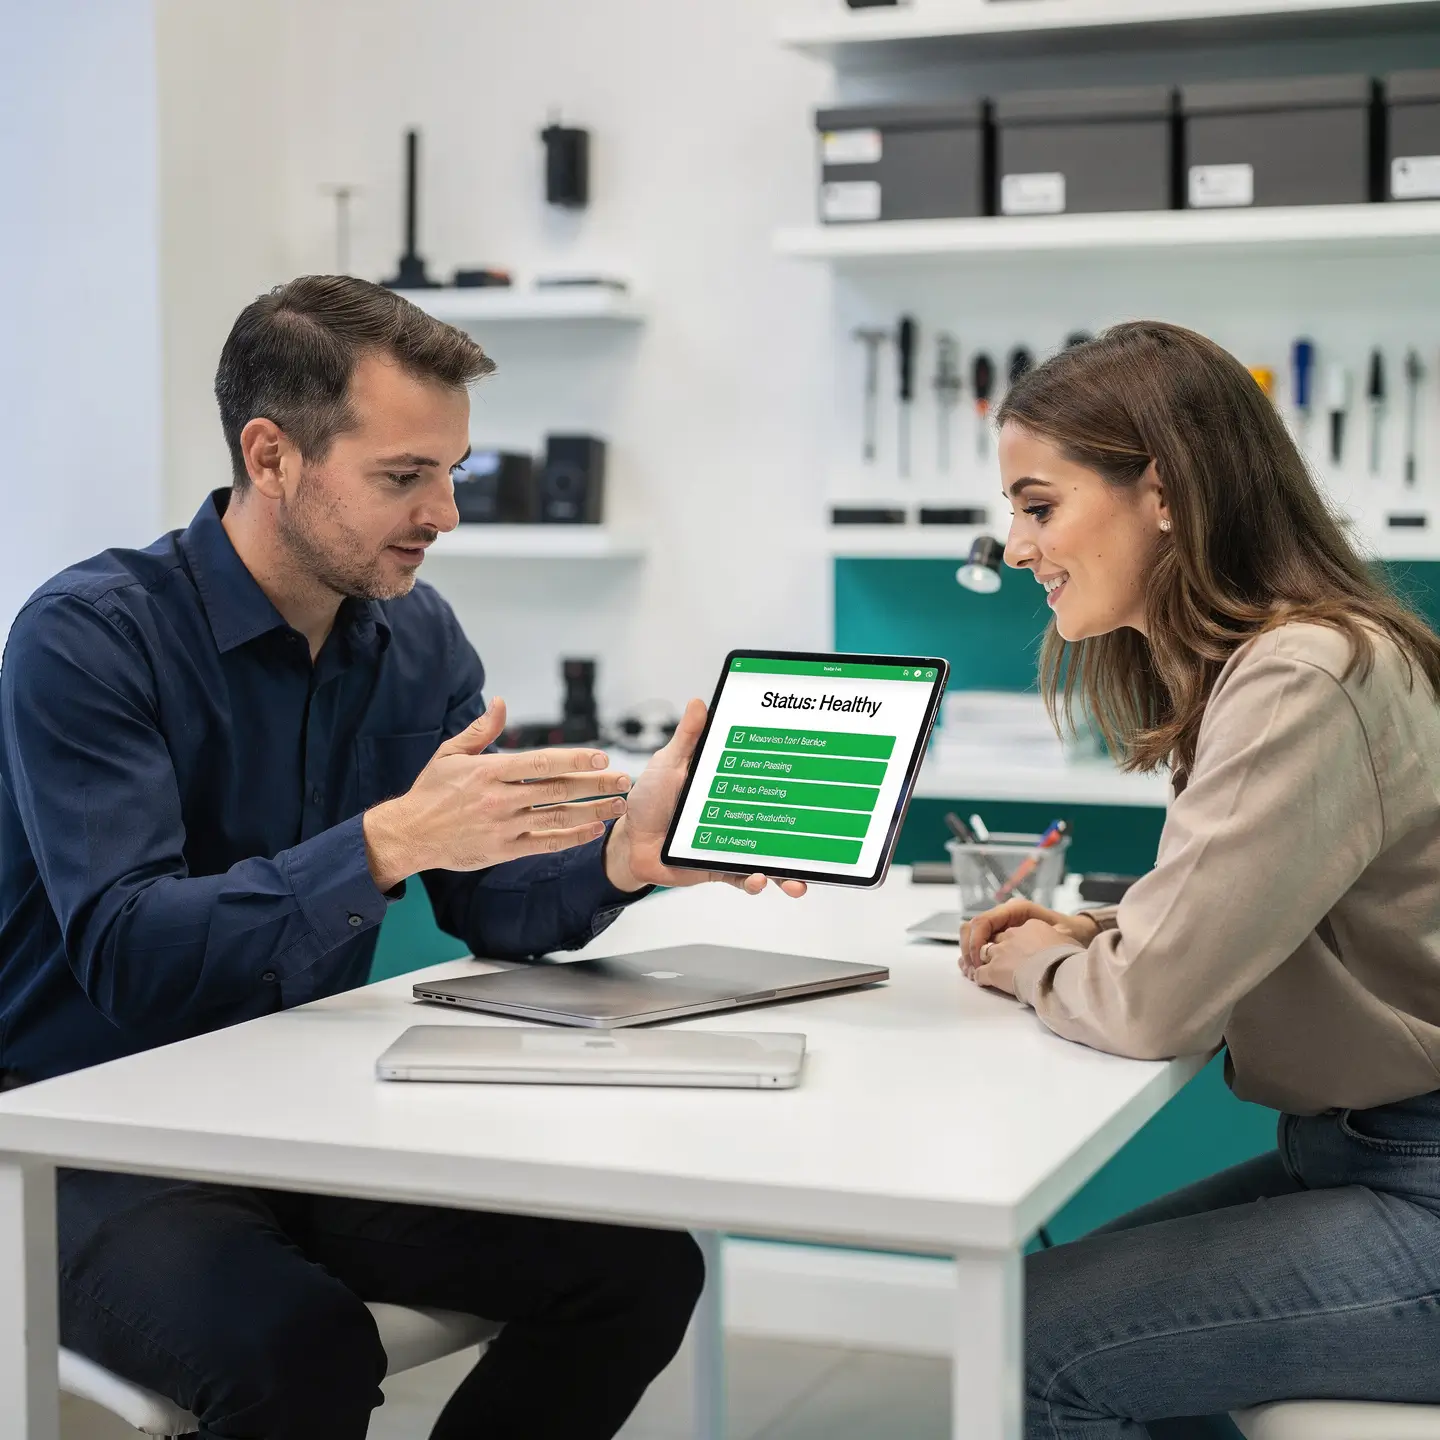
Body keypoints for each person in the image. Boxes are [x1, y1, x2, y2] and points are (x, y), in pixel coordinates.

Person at [0, 275, 805, 1440]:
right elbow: (130, 955)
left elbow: (498, 907)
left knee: (637, 1272)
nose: (446, 513)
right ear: (270, 456)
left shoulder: (417, 638)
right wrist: (383, 843)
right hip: (80, 1131)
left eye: (452, 473)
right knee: (300, 1348)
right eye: (403, 477)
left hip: (295, 1112)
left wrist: (623, 858)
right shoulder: (90, 637)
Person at [958, 320, 1440, 1439]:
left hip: (1419, 1187)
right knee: (1053, 1308)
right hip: (1371, 1160)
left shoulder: (1301, 675)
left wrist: (1049, 967)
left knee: (1030, 1345)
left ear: (1163, 492)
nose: (1017, 544)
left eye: (1039, 506)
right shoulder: (1294, 655)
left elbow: (1156, 1007)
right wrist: (1095, 931)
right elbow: (1263, 902)